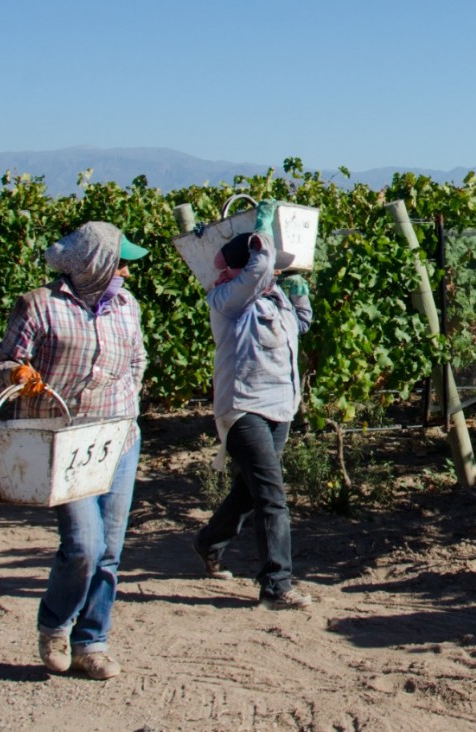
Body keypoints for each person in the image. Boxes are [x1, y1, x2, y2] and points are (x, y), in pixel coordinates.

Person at [0, 221, 148, 680]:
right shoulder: (39, 307)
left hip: (117, 439)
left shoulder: (125, 305)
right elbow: (2, 364)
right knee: (84, 544)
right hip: (63, 440)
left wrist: (126, 407)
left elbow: (136, 360)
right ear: (95, 267)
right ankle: (55, 624)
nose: (125, 272)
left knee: (111, 550)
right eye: (119, 263)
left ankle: (91, 642)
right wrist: (18, 376)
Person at [192, 201, 314, 610]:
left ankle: (209, 542)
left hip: (281, 406)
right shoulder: (226, 299)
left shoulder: (273, 297)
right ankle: (276, 585)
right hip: (243, 406)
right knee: (271, 496)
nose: (274, 270)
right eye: (267, 263)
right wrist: (262, 234)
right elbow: (258, 268)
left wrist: (300, 295)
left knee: (249, 490)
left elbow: (300, 327)